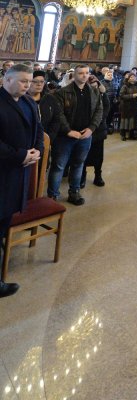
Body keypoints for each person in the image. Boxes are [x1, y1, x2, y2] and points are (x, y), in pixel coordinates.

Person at [0, 64, 43, 298]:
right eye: (22, 81)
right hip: (4, 171)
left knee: (5, 221)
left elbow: (38, 130)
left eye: (29, 80)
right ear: (6, 80)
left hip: (20, 172)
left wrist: (36, 152)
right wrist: (20, 155)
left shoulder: (28, 102)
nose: (27, 85)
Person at [47, 64, 103, 206]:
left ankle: (74, 192)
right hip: (65, 137)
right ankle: (52, 196)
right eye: (80, 73)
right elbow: (59, 114)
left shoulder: (94, 92)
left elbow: (98, 111)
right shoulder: (63, 92)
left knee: (78, 164)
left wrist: (91, 128)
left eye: (86, 73)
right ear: (74, 75)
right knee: (59, 166)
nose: (84, 76)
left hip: (85, 135)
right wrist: (68, 131)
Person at [81, 74, 110, 185]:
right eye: (91, 85)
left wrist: (98, 120)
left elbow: (106, 108)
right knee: (84, 154)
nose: (94, 87)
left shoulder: (103, 95)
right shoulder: (83, 95)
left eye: (95, 85)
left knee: (98, 155)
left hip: (99, 129)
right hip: (86, 128)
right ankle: (82, 175)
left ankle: (98, 175)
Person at [28, 69, 61, 143]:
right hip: (26, 141)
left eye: (42, 81)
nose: (39, 84)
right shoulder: (21, 99)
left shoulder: (50, 99)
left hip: (45, 139)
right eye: (35, 81)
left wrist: (49, 137)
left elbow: (56, 120)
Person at [119, 73, 137, 140]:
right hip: (126, 105)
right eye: (131, 77)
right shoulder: (125, 86)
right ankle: (123, 135)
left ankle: (131, 134)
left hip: (134, 105)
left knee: (133, 121)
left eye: (134, 77)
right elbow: (121, 96)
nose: (133, 78)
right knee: (125, 121)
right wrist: (132, 96)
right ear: (128, 78)